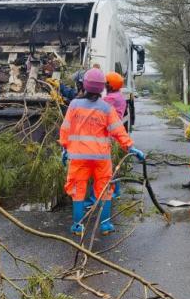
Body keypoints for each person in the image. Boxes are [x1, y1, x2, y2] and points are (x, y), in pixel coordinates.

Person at [59, 68, 145, 236]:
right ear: (102, 87)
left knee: (78, 190)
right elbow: (118, 131)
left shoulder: (74, 105)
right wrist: (130, 147)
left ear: (84, 85)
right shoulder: (106, 108)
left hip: (78, 158)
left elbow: (65, 129)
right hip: (101, 158)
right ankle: (105, 225)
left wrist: (64, 148)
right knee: (105, 189)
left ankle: (78, 225)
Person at [83, 71, 127, 208]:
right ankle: (116, 192)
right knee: (113, 165)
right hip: (114, 133)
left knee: (103, 170)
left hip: (110, 135)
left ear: (111, 85)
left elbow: (94, 105)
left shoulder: (110, 99)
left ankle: (95, 198)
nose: (104, 85)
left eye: (106, 83)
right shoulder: (118, 95)